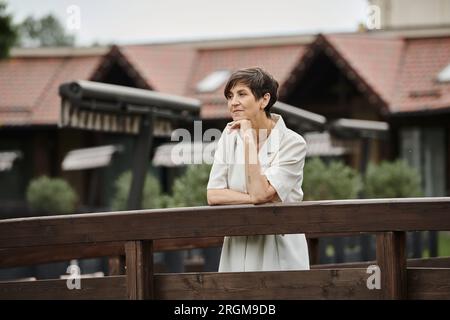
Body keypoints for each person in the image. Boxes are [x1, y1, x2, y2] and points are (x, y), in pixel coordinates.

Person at [206, 67, 310, 272]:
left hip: (279, 249)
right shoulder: (228, 137)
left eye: (241, 94)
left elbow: (262, 192)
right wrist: (254, 198)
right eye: (230, 96)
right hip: (237, 246)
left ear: (264, 100)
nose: (233, 102)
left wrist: (247, 138)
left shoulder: (293, 143)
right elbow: (213, 194)